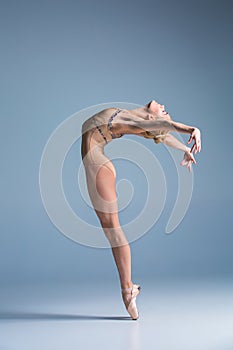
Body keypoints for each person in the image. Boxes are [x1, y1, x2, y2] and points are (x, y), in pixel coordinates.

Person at [81, 100, 201, 320]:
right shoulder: (130, 116)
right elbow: (162, 134)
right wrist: (185, 148)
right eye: (164, 111)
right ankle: (128, 290)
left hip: (99, 167)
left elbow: (163, 127)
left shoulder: (131, 121)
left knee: (114, 232)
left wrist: (192, 130)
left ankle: (128, 291)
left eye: (164, 112)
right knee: (111, 232)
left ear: (150, 118)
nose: (165, 106)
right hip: (97, 165)